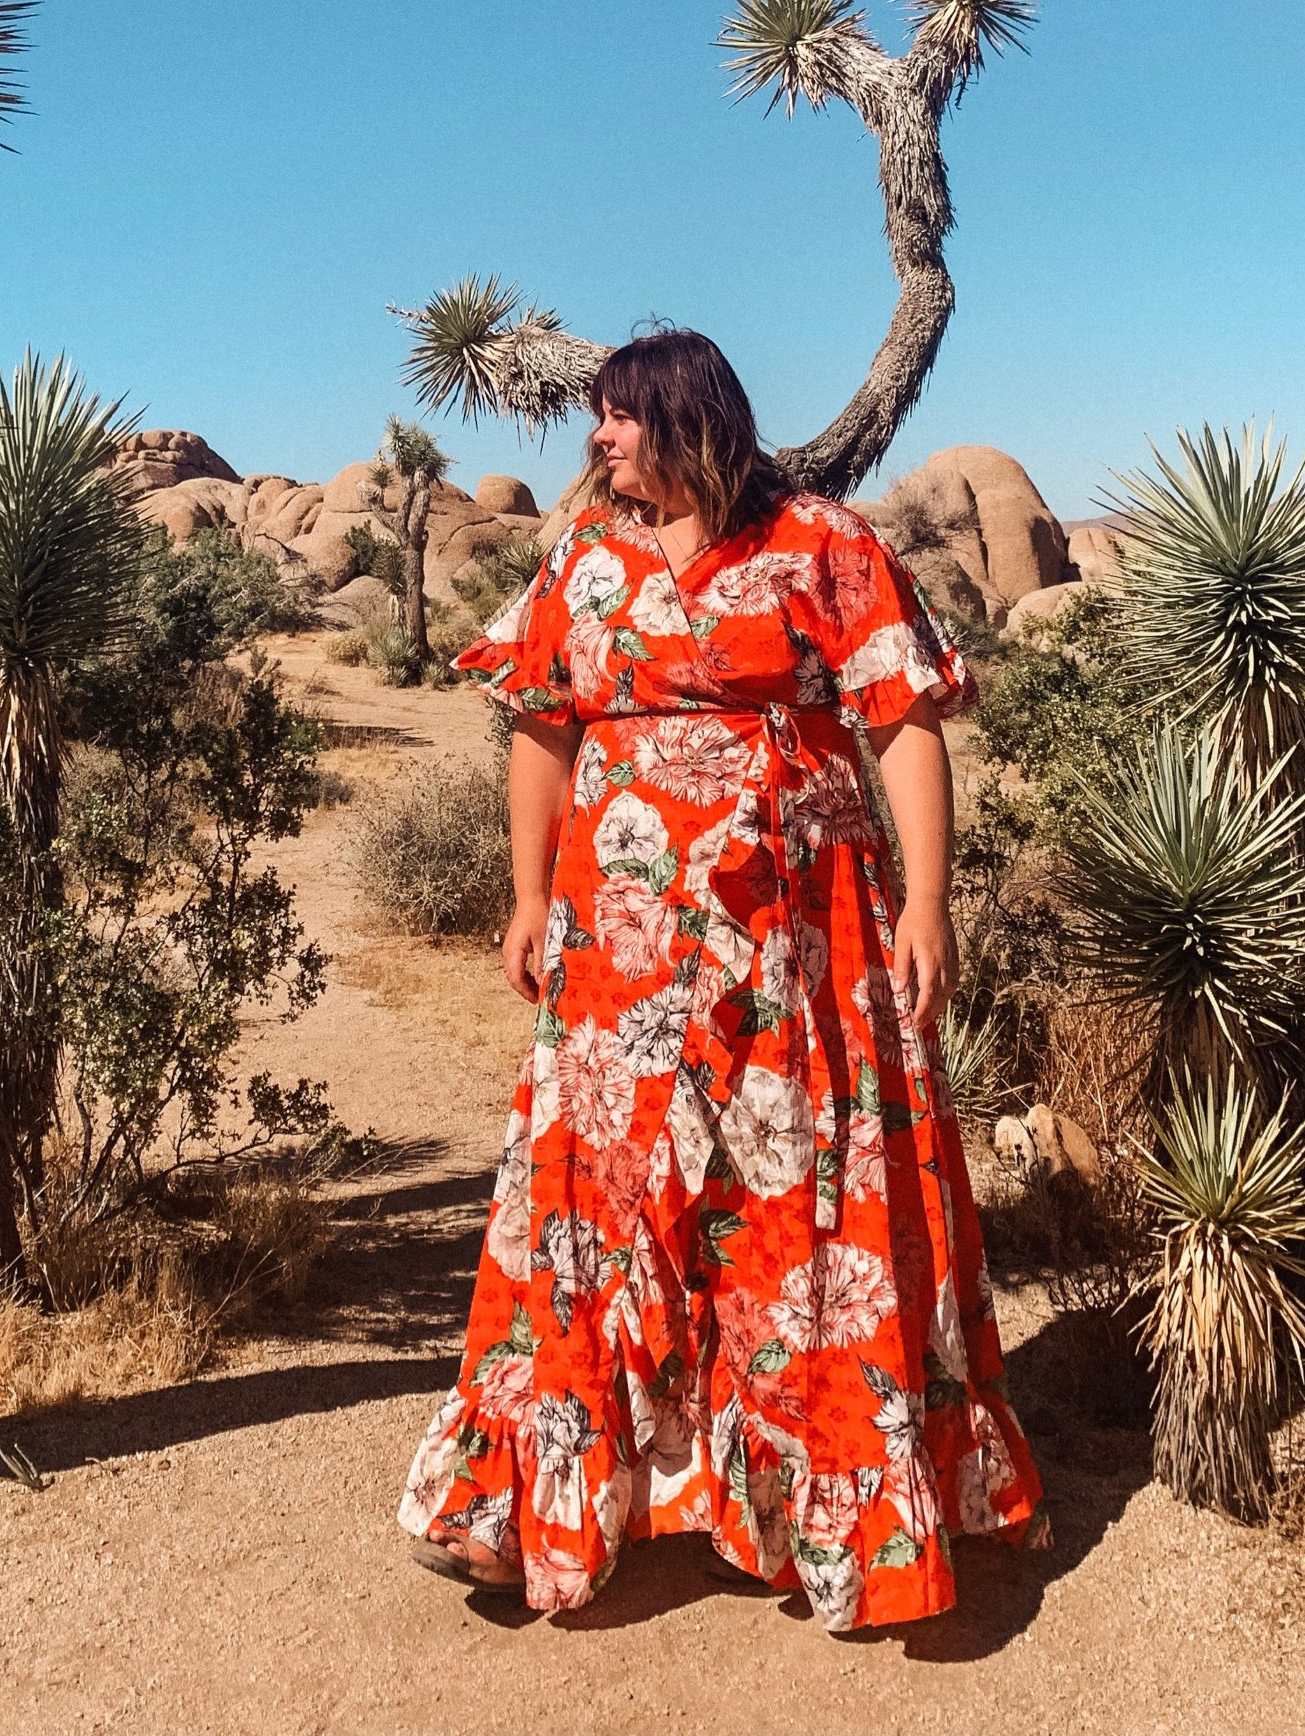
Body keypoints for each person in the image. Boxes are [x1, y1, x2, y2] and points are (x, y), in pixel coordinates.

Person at [399, 329, 1045, 1633]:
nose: (598, 439)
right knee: (606, 1212)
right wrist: (528, 896)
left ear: (690, 419)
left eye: (621, 418)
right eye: (595, 419)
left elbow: (902, 722)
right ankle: (549, 1499)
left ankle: (816, 1508)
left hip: (800, 956)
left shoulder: (824, 545)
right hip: (615, 972)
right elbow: (539, 721)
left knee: (792, 1213)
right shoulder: (580, 559)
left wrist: (928, 899)